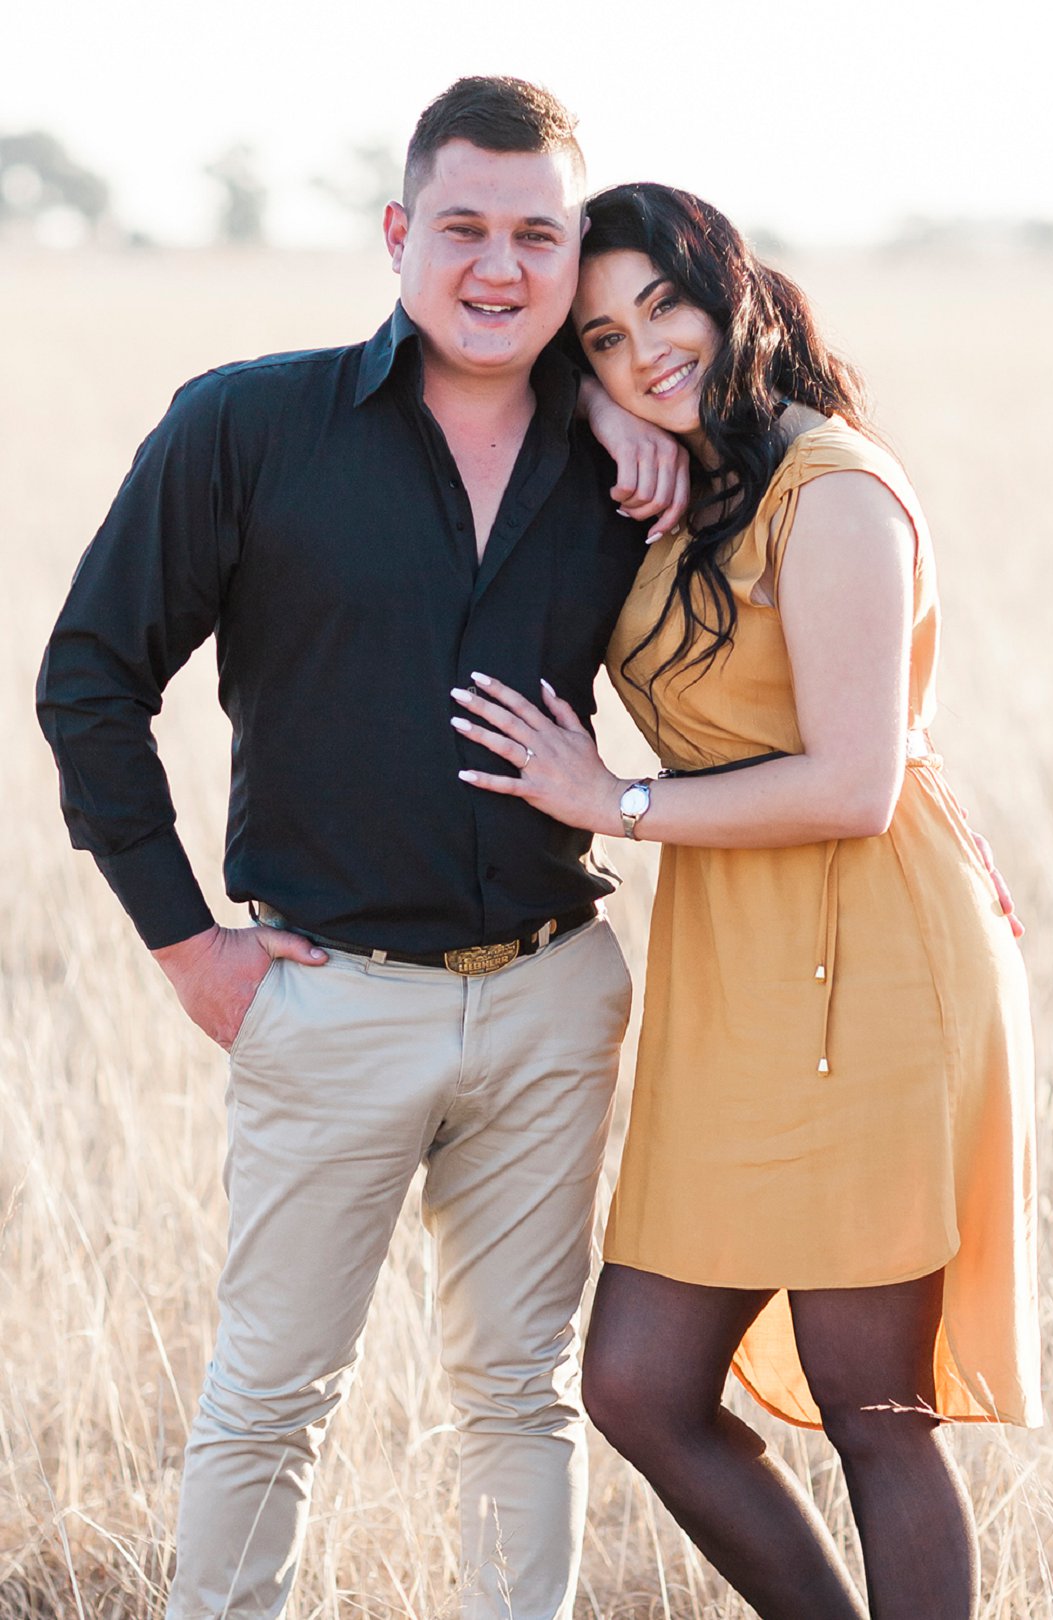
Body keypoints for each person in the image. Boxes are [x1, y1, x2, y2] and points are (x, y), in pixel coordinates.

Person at [35, 86, 688, 1620]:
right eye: (462, 227)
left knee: (517, 1398)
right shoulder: (250, 427)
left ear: (573, 253)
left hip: (551, 996)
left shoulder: (628, 466)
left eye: (539, 236)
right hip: (330, 1000)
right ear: (401, 233)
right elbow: (89, 678)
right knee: (269, 1402)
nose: (498, 267)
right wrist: (186, 942)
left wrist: (618, 412)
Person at [450, 182, 1041, 1620]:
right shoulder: (688, 475)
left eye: (666, 305)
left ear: (733, 286)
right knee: (640, 1383)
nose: (648, 347)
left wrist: (616, 806)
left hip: (876, 954)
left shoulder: (830, 486)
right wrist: (603, 415)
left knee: (869, 1404)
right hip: (737, 967)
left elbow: (854, 785)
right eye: (603, 337)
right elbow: (471, 354)